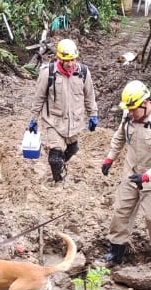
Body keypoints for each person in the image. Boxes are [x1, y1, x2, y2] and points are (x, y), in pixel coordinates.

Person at [100, 81, 151, 267]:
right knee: (121, 211)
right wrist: (110, 158)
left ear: (145, 103)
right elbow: (119, 137)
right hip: (132, 171)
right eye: (129, 109)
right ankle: (116, 249)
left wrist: (147, 176)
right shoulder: (128, 115)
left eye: (134, 109)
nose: (131, 113)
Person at [27, 38, 98, 183]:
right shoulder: (48, 73)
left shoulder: (83, 72)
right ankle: (58, 182)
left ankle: (61, 163)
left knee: (73, 149)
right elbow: (39, 98)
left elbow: (89, 96)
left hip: (74, 121)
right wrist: (33, 119)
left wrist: (93, 114)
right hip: (54, 120)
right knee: (54, 158)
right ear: (59, 58)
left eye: (73, 60)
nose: (71, 64)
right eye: (67, 61)